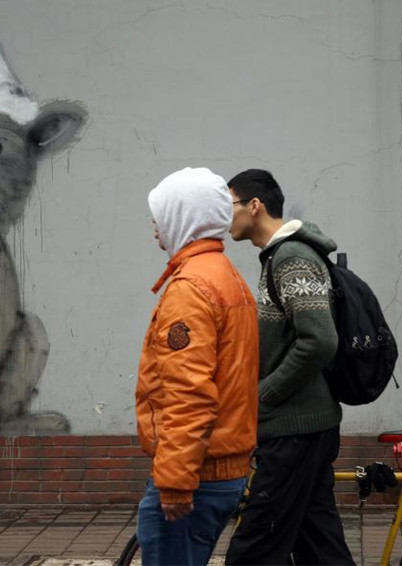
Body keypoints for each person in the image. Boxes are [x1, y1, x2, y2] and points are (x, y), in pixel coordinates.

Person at [224, 169, 355, 565]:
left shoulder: (292, 257)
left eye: (227, 205)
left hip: (294, 432)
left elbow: (320, 340)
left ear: (254, 206)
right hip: (303, 428)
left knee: (254, 549)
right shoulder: (279, 257)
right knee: (320, 547)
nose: (223, 216)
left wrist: (265, 395)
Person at [136, 166, 259, 566]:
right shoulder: (227, 277)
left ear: (183, 216)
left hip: (198, 475)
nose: (155, 226)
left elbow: (190, 395)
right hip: (219, 467)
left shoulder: (191, 289)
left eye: (161, 214)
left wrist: (173, 483)